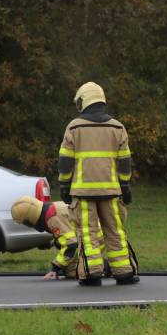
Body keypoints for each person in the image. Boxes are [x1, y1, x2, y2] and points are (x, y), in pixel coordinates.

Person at [58, 82, 138, 286]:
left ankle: (92, 273)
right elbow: (125, 161)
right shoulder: (117, 127)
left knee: (88, 233)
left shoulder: (74, 127)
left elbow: (65, 161)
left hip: (83, 192)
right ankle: (124, 272)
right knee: (115, 231)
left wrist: (64, 186)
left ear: (83, 100)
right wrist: (125, 187)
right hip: (111, 192)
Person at [10, 195, 138, 280]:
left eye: (26, 223)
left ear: (30, 217)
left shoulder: (52, 218)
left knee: (74, 271)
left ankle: (107, 267)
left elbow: (71, 245)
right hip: (94, 232)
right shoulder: (52, 208)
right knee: (69, 267)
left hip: (93, 238)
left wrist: (55, 267)